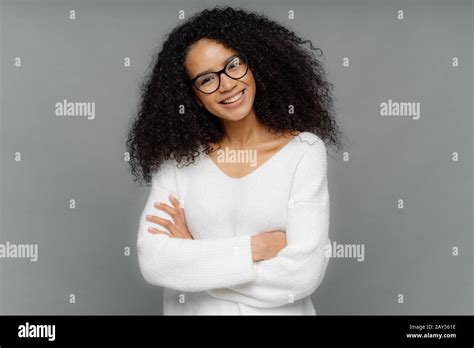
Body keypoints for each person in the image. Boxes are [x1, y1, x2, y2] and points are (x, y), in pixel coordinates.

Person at [126, 6, 343, 315]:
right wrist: (253, 249)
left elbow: (301, 276)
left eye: (233, 65)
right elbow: (154, 261)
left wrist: (195, 262)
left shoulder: (304, 151)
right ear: (192, 96)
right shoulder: (177, 161)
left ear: (255, 64)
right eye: (206, 79)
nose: (226, 84)